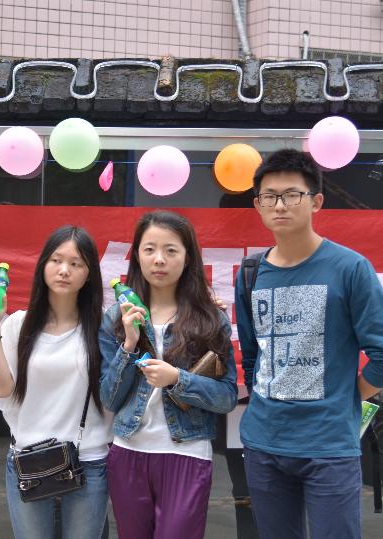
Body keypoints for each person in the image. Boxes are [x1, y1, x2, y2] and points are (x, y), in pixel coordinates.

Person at [235, 149, 383, 539]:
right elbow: (252, 354)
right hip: (264, 443)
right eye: (269, 196)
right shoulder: (251, 273)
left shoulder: (350, 268)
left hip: (328, 446)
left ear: (316, 201)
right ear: (258, 205)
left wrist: (350, 395)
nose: (280, 205)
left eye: (292, 194)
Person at [100, 210, 237, 539]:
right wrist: (129, 345)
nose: (159, 259)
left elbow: (227, 397)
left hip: (186, 452)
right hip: (128, 451)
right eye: (149, 249)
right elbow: (109, 398)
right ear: (137, 256)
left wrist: (178, 379)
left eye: (171, 250)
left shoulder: (210, 319)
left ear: (188, 257)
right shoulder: (116, 317)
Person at [0, 225, 114, 538]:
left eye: (76, 263)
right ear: (42, 266)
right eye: (56, 260)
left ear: (89, 274)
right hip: (28, 461)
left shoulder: (104, 326)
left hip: (88, 461)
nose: (64, 270)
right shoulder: (18, 324)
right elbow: (3, 391)